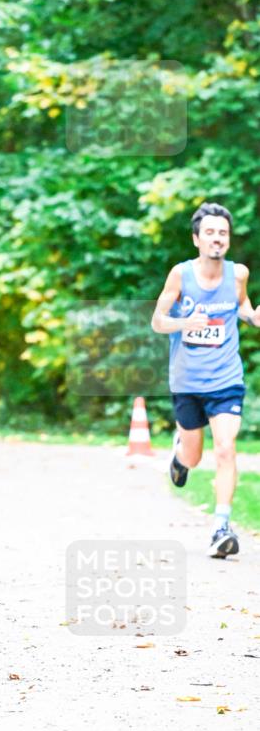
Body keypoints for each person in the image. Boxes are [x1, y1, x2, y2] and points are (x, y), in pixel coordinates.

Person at [151, 202, 259, 557]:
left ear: (228, 240)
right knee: (195, 458)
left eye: (223, 233)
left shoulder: (238, 274)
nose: (217, 238)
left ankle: (220, 526)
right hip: (187, 381)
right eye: (210, 232)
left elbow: (241, 306)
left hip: (226, 378)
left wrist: (254, 318)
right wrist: (185, 324)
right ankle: (181, 454)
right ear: (196, 238)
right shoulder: (180, 275)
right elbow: (158, 321)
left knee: (226, 449)